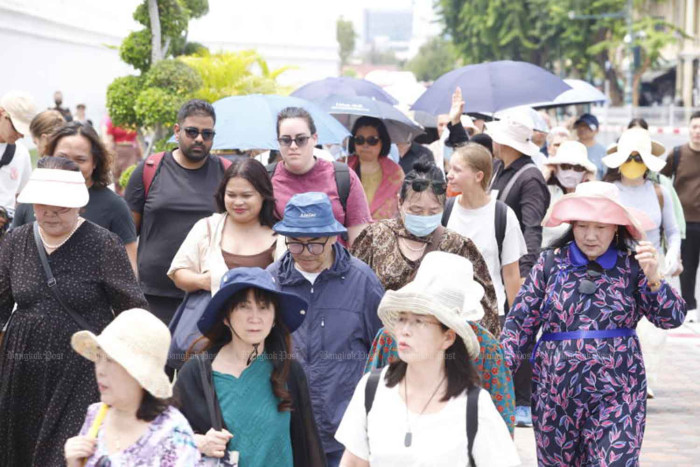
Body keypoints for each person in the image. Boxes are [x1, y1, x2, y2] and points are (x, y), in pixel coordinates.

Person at [501, 181, 686, 466]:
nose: (590, 236)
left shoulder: (633, 266)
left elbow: (671, 317)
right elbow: (518, 325)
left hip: (618, 393)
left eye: (600, 227)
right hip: (555, 395)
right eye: (582, 226)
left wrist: (654, 278)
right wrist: (495, 376)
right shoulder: (550, 264)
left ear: (617, 228)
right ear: (571, 226)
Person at [0, 159, 148, 466]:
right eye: (43, 204)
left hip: (80, 369)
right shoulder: (15, 240)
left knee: (67, 452)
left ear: (80, 204)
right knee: (19, 449)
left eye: (62, 206)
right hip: (22, 366)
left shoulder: (104, 244)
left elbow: (133, 309)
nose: (51, 212)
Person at [336, 252, 519, 467]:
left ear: (449, 336)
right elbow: (354, 459)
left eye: (419, 321)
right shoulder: (372, 386)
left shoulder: (477, 401)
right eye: (402, 318)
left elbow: (502, 412)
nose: (405, 330)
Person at [266, 192, 384, 467]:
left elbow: (382, 352)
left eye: (315, 244)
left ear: (333, 237)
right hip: (287, 427)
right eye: (295, 243)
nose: (306, 253)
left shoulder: (362, 281)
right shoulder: (272, 281)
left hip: (345, 430)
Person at [175, 267, 326, 466]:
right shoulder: (196, 372)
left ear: (274, 318)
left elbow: (308, 446)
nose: (255, 318)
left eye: (264, 307)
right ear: (225, 316)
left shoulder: (289, 371)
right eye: (243, 307)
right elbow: (163, 436)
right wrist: (199, 442)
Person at [351, 159, 500, 337]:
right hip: (382, 340)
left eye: (433, 211)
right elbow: (353, 291)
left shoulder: (458, 246)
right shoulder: (375, 236)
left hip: (435, 347)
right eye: (416, 210)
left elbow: (484, 310)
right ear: (400, 202)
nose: (424, 216)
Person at [125, 99, 230, 324]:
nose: (199, 138)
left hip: (207, 294)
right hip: (152, 295)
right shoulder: (149, 170)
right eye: (192, 131)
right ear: (177, 131)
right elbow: (127, 235)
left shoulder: (226, 173)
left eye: (207, 134)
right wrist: (130, 283)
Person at [602, 128, 682, 397]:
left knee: (653, 331)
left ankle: (646, 380)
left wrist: (672, 254)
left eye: (639, 157)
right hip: (616, 267)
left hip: (651, 267)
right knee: (621, 324)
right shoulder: (609, 191)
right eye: (629, 157)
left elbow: (672, 231)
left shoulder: (660, 192)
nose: (634, 163)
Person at [64, 308, 200, 466]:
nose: (100, 370)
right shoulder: (96, 414)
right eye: (99, 357)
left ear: (141, 373)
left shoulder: (172, 434)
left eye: (111, 360)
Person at [13, 122, 139, 272]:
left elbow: (129, 268)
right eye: (62, 157)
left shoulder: (115, 206)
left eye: (80, 160)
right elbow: (12, 260)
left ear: (95, 162)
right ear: (50, 156)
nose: (70, 166)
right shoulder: (30, 199)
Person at [168, 158, 278, 296]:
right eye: (231, 195)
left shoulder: (281, 237)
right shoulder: (207, 227)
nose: (238, 202)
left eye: (246, 196)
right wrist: (203, 281)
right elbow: (178, 273)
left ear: (263, 195)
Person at [269, 107, 371, 246]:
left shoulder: (343, 177)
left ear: (314, 138)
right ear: (278, 142)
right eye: (286, 140)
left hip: (336, 259)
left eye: (301, 139)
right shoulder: (267, 178)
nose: (293, 146)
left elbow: (360, 241)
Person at [445, 143, 527, 316]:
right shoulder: (446, 210)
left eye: (457, 170)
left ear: (478, 176)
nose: (449, 175)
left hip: (491, 315)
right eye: (450, 168)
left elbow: (511, 275)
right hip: (449, 313)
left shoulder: (502, 215)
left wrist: (515, 323)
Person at [661, 111, 700, 323]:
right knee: (688, 266)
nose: (698, 131)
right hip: (686, 221)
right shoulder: (677, 154)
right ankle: (689, 306)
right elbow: (661, 181)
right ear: (689, 129)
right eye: (694, 127)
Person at [346, 116, 404, 220]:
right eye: (359, 140)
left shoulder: (396, 172)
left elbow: (402, 208)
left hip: (383, 228)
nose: (365, 145)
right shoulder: (341, 167)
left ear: (383, 141)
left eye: (372, 140)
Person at [541, 141, 597, 247]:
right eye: (565, 166)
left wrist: (593, 184)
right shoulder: (546, 191)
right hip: (544, 251)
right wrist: (544, 176)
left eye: (578, 168)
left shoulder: (587, 196)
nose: (571, 172)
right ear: (555, 168)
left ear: (585, 171)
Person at [0, 91, 36, 222]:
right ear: (2, 113)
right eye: (16, 128)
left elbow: (22, 196)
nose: (21, 135)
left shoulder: (21, 153)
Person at [103, 116, 143, 195]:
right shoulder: (113, 122)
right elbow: (110, 140)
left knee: (130, 174)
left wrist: (140, 154)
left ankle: (128, 196)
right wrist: (109, 155)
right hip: (118, 151)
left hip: (130, 151)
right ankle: (119, 196)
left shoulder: (132, 122)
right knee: (116, 174)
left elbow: (137, 140)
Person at [574, 113, 607, 177]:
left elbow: (606, 176)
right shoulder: (569, 148)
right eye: (580, 125)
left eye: (587, 126)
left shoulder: (604, 151)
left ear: (597, 130)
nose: (582, 128)